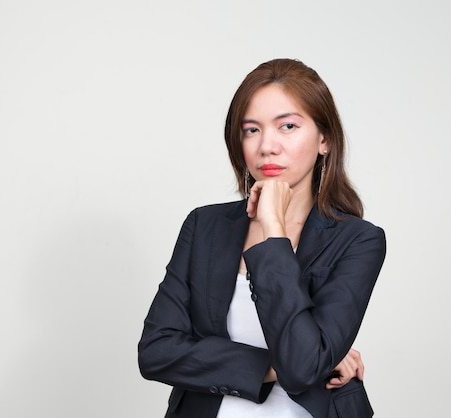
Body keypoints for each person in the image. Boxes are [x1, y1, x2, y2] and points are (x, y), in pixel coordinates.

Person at [138, 58, 386, 418]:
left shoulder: (358, 241)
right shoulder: (205, 225)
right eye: (251, 130)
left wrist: (272, 230)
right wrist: (278, 365)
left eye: (287, 126)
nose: (267, 146)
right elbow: (157, 351)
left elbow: (303, 366)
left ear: (325, 139)